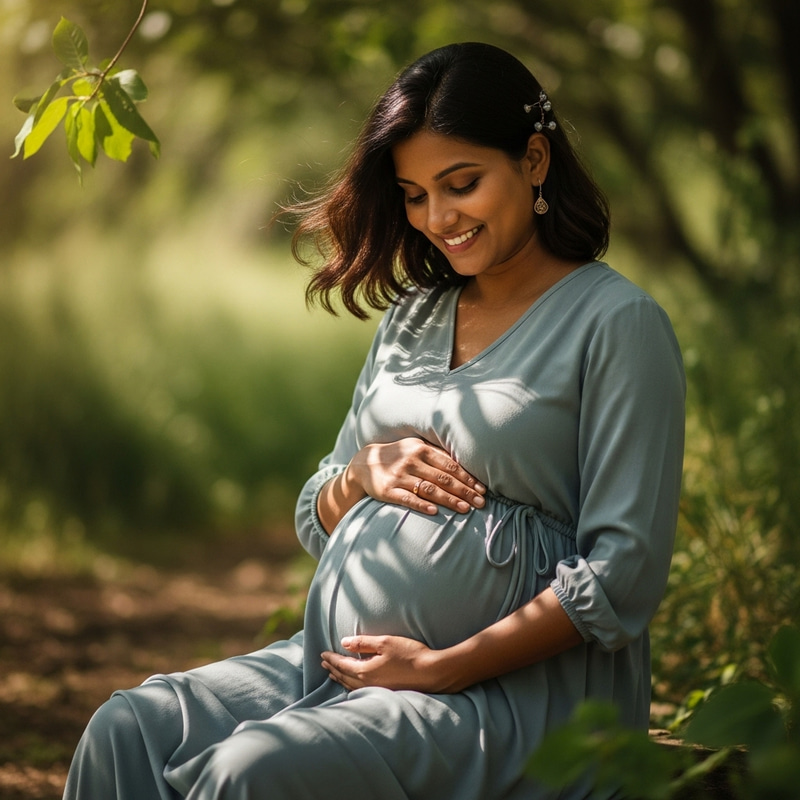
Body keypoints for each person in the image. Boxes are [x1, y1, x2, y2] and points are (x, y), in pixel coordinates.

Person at [63, 41, 685, 800]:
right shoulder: (414, 316)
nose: (437, 218)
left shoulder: (617, 323)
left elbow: (624, 574)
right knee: (125, 726)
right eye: (416, 194)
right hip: (336, 662)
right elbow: (314, 514)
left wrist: (443, 666)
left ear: (532, 159)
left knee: (249, 773)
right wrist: (360, 476)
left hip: (518, 697)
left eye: (462, 184)